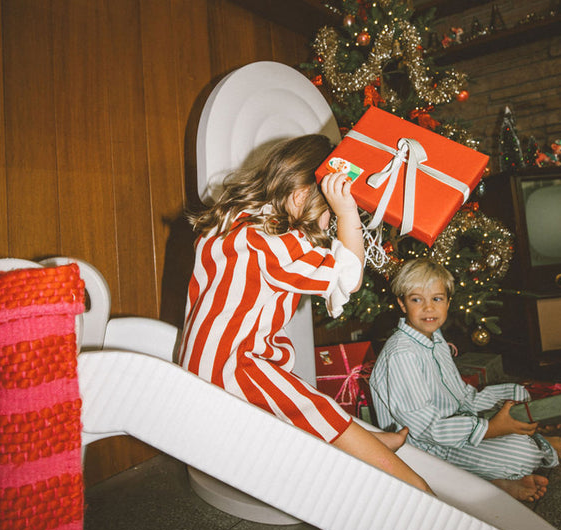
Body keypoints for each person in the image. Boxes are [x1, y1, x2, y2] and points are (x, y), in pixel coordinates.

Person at [179, 134, 431, 494]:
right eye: (326, 213)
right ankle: (413, 486)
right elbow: (350, 276)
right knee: (310, 408)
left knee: (302, 396)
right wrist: (347, 215)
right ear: (300, 198)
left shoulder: (234, 221)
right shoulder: (273, 244)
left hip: (205, 362)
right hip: (234, 367)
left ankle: (368, 442)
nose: (327, 224)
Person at [369, 257, 561, 503]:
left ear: (448, 302)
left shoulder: (434, 338)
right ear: (402, 304)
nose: (428, 308)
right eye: (417, 299)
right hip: (425, 448)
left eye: (437, 299)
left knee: (518, 392)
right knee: (524, 454)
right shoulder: (402, 354)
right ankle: (498, 476)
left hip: (453, 426)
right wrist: (491, 429)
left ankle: (522, 432)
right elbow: (426, 429)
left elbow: (463, 397)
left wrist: (501, 407)